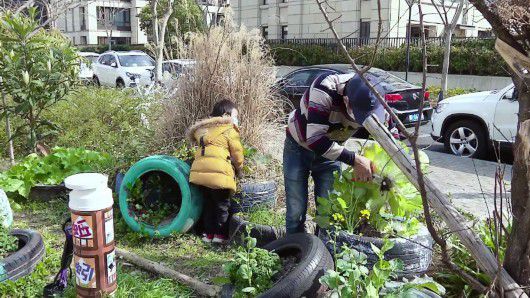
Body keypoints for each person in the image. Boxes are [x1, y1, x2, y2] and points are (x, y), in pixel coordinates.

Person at [284, 72, 385, 234]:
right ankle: (293, 252)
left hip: (331, 152)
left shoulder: (373, 95)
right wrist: (355, 160)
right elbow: (315, 140)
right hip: (298, 147)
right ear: (346, 101)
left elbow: (387, 131)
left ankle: (323, 254)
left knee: (329, 210)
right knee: (296, 209)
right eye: (359, 114)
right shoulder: (324, 88)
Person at [186, 99, 244, 244]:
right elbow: (237, 153)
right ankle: (220, 236)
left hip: (200, 175)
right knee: (222, 206)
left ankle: (208, 234)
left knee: (209, 205)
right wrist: (239, 168)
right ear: (225, 115)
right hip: (219, 175)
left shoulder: (202, 131)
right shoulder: (229, 130)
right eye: (235, 116)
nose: (236, 120)